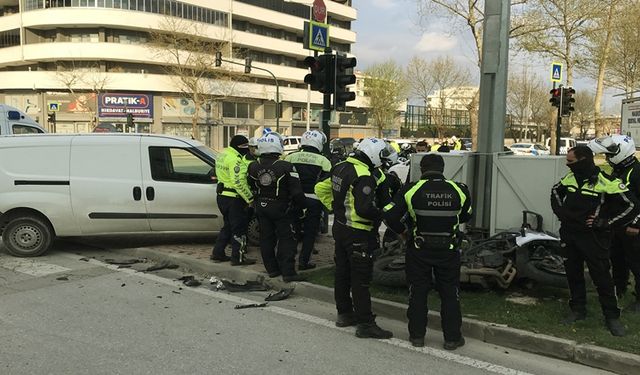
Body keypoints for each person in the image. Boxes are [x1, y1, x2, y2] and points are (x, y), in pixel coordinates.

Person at [383, 154, 471, 350]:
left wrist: (403, 232)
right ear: (442, 168)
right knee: (450, 293)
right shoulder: (459, 189)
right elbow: (466, 215)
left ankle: (417, 337)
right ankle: (452, 338)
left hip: (419, 249)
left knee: (418, 292)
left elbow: (388, 214)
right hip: (448, 250)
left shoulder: (411, 189)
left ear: (422, 169)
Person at [551, 145, 640, 336]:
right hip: (570, 234)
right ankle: (578, 310)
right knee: (573, 275)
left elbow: (631, 205)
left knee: (602, 278)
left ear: (584, 161)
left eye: (571, 162)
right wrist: (562, 213)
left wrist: (606, 222)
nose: (568, 165)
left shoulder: (605, 181)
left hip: (593, 239)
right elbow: (555, 192)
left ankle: (611, 317)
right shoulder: (570, 178)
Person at [315, 138, 394, 339]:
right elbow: (364, 209)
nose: (382, 160)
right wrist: (382, 215)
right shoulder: (364, 175)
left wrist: (334, 207)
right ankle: (366, 324)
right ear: (373, 154)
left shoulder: (341, 167)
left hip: (341, 229)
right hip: (359, 232)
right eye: (381, 156)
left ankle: (344, 314)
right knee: (360, 280)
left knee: (342, 274)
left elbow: (320, 189)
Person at [588, 135, 640, 312]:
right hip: (617, 225)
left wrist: (636, 225)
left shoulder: (636, 172)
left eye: (610, 155)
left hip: (632, 227)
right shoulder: (618, 170)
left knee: (636, 263)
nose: (608, 159)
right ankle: (619, 288)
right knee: (617, 259)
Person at [248, 132, 306, 282]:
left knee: (266, 238)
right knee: (287, 239)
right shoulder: (286, 166)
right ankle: (288, 272)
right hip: (282, 208)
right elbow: (297, 192)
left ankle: (272, 269)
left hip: (261, 206)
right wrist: (303, 206)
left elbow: (251, 185)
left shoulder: (253, 166)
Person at [285, 130, 332, 270]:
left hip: (294, 199)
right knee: (310, 233)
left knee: (293, 231)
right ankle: (304, 262)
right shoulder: (324, 161)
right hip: (314, 201)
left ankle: (289, 260)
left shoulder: (290, 157)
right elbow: (327, 183)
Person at [211, 135, 256, 266]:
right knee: (239, 229)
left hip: (222, 197)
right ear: (240, 147)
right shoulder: (236, 160)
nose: (247, 150)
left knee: (228, 226)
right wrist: (250, 199)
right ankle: (238, 258)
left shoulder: (223, 154)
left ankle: (217, 253)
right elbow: (239, 182)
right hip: (234, 199)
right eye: (246, 147)